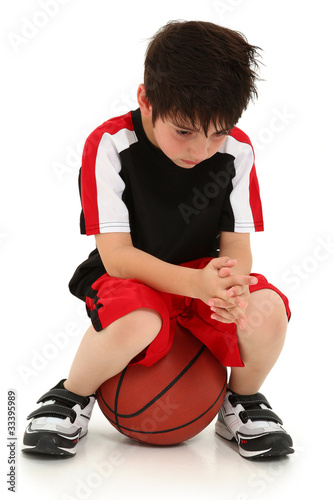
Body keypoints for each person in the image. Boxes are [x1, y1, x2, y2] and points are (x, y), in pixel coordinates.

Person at [22, 20, 294, 460]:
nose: (201, 150)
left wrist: (229, 285)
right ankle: (71, 396)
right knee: (139, 320)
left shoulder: (237, 152)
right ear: (146, 100)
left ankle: (242, 401)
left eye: (218, 131)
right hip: (131, 278)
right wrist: (197, 285)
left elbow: (237, 249)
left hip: (200, 275)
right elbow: (117, 258)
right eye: (184, 131)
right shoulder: (110, 144)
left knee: (268, 311)